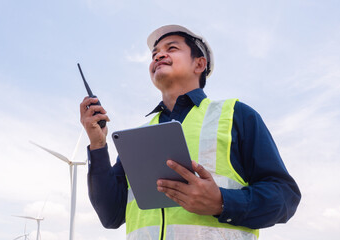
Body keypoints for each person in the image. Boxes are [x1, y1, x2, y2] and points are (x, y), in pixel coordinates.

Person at [80, 24, 301, 240]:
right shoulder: (136, 139)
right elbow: (111, 215)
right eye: (154, 53)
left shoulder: (236, 116)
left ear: (199, 64)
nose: (158, 56)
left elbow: (285, 196)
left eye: (171, 48)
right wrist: (97, 145)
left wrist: (222, 202)